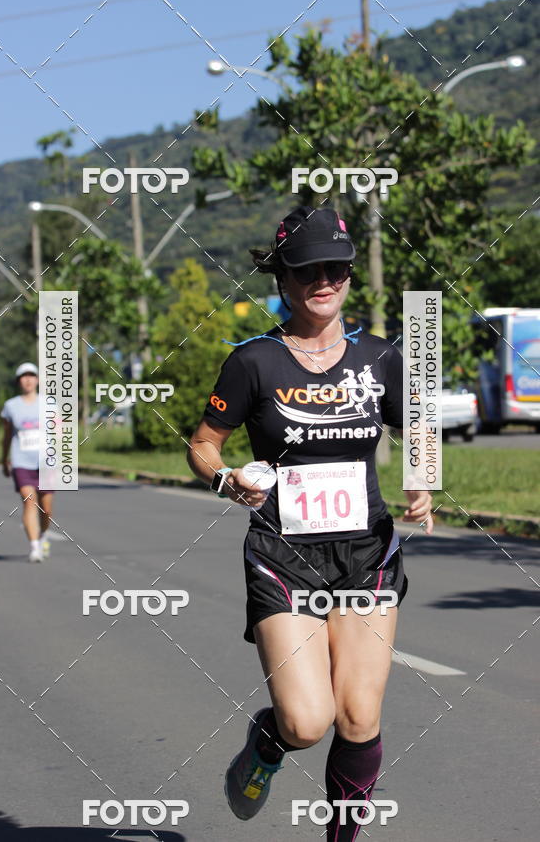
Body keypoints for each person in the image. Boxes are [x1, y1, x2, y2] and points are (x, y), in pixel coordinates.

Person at [187, 206, 434, 840]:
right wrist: (225, 479)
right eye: (306, 270)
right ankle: (266, 743)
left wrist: (422, 483)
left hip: (366, 553)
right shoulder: (254, 361)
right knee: (306, 721)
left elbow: (421, 431)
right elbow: (203, 444)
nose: (323, 280)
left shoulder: (381, 358)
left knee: (358, 714)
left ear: (350, 274)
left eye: (336, 268)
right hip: (283, 554)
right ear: (283, 280)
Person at [1, 363, 54, 563]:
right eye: (24, 376)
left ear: (38, 380)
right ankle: (34, 547)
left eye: (32, 375)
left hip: (46, 462)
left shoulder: (49, 403)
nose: (28, 379)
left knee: (46, 508)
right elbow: (6, 436)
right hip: (21, 461)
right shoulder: (10, 406)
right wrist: (4, 459)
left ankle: (43, 535)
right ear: (18, 381)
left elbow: (59, 430)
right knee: (29, 501)